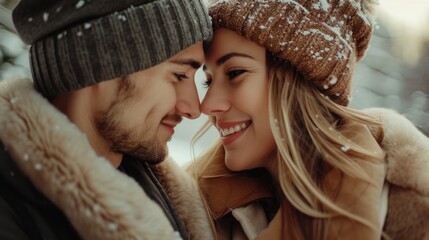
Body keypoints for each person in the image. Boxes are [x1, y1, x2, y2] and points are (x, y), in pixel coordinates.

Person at [189, 0, 429, 239]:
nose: (207, 105)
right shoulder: (192, 211)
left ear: (299, 80)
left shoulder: (414, 211)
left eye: (235, 73)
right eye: (208, 81)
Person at [0, 0, 214, 239]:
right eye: (179, 75)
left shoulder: (152, 187)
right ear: (101, 64)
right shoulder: (11, 211)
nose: (194, 109)